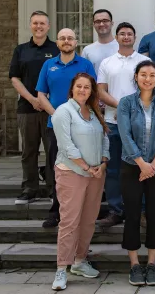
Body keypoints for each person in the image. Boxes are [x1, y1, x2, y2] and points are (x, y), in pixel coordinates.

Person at [50, 73, 109, 291]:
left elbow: (105, 138)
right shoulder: (63, 112)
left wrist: (103, 163)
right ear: (72, 89)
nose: (83, 90)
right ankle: (61, 269)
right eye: (79, 86)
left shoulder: (94, 112)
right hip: (72, 173)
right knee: (69, 222)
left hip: (95, 174)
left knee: (88, 221)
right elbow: (66, 146)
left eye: (87, 87)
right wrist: (86, 167)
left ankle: (79, 261)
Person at [117, 60, 155, 287]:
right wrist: (142, 164)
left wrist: (154, 164)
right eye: (143, 74)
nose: (147, 78)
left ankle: (151, 264)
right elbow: (125, 135)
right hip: (132, 167)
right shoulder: (125, 103)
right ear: (136, 77)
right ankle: (134, 265)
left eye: (152, 75)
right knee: (131, 215)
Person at [36, 28, 97, 229]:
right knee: (57, 168)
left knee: (82, 165)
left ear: (76, 42)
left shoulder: (85, 64)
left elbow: (93, 93)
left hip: (82, 127)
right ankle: (56, 211)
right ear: (57, 42)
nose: (66, 41)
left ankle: (83, 209)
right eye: (62, 38)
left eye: (70, 38)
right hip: (55, 126)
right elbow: (41, 95)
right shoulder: (48, 65)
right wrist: (58, 116)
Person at [96, 22, 151, 228]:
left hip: (140, 122)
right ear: (117, 37)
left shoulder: (144, 61)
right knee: (114, 169)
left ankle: (142, 209)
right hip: (113, 122)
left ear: (134, 38)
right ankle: (116, 210)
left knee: (141, 166)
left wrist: (131, 110)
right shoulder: (107, 62)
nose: (126, 37)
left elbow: (149, 87)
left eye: (129, 34)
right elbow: (101, 91)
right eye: (122, 34)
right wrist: (122, 108)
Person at [10, 10, 59, 205]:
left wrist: (45, 101)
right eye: (35, 23)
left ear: (48, 26)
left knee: (52, 150)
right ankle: (29, 188)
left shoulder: (56, 49)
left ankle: (52, 188)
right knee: (29, 150)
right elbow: (15, 78)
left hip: (51, 108)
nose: (38, 27)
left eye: (42, 23)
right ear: (30, 25)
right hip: (27, 107)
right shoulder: (20, 50)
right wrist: (32, 99)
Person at [81, 9, 119, 73]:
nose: (101, 24)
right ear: (93, 25)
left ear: (112, 23)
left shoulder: (122, 47)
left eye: (105, 21)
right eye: (98, 21)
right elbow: (84, 75)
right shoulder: (87, 51)